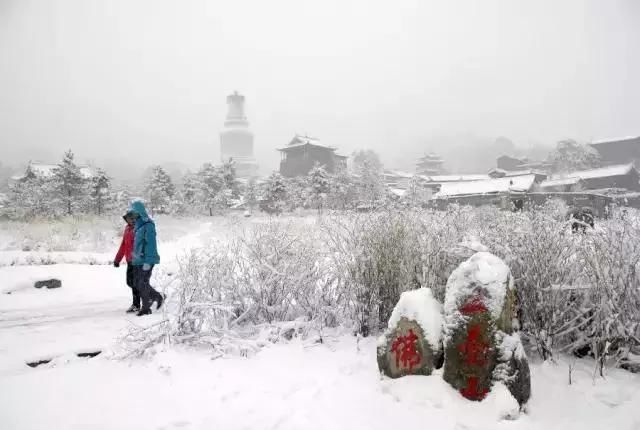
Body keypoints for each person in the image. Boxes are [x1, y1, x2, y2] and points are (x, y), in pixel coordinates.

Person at [128, 200, 164, 316]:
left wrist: (148, 261)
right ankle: (157, 296)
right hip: (138, 260)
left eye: (133, 212)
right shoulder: (138, 226)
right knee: (137, 283)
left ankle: (146, 308)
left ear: (139, 212)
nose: (132, 215)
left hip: (146, 259)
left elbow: (151, 244)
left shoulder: (148, 225)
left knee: (142, 283)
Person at [113, 211, 140, 313]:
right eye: (128, 218)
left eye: (132, 218)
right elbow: (123, 245)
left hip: (138, 261)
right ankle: (156, 296)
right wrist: (117, 259)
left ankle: (136, 304)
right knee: (130, 282)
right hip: (130, 260)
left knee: (136, 283)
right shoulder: (127, 229)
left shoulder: (139, 229)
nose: (131, 220)